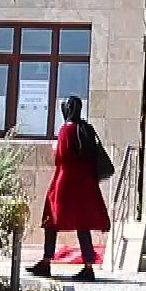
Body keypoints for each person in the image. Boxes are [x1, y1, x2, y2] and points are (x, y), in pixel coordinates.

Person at [27, 96, 110, 281]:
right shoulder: (86, 129)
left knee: (51, 219)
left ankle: (46, 261)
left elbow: (61, 158)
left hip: (65, 182)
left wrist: (55, 148)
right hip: (86, 184)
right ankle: (88, 266)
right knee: (83, 224)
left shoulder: (67, 129)